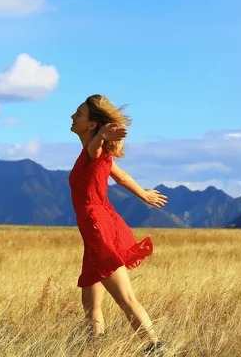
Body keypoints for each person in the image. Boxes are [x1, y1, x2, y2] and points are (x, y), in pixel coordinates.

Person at [69, 94, 168, 356]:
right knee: (91, 304)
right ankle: (95, 349)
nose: (72, 117)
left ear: (91, 125)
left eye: (79, 114)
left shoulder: (94, 149)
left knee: (126, 298)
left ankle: (155, 348)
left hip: (98, 229)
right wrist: (144, 195)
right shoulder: (95, 154)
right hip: (95, 231)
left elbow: (97, 148)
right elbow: (122, 177)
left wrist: (101, 136)